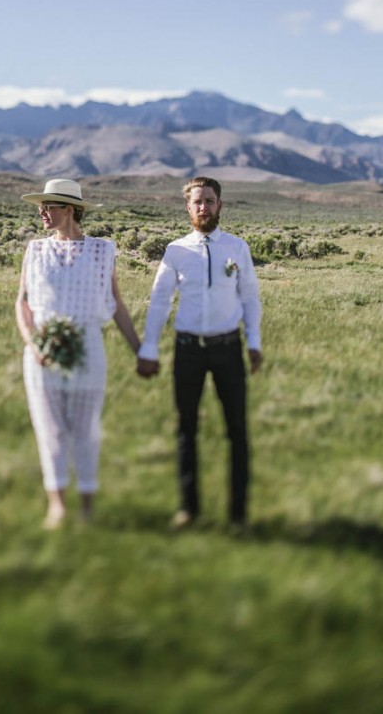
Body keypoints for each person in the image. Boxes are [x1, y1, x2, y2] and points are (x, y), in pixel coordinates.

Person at [137, 176, 263, 533]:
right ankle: (188, 508)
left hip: (227, 348)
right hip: (188, 349)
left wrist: (253, 341)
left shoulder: (237, 248)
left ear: (220, 205)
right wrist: (148, 347)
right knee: (186, 429)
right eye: (197, 202)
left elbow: (250, 297)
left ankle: (238, 515)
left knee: (237, 430)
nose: (203, 207)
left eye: (209, 200)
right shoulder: (176, 251)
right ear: (187, 208)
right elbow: (160, 300)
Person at [16, 178, 140, 529]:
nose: (42, 212)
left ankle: (87, 506)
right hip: (43, 352)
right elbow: (22, 302)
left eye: (49, 206)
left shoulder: (103, 250)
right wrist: (33, 342)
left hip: (88, 347)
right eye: (41, 207)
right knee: (50, 428)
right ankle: (57, 506)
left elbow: (115, 304)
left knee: (85, 429)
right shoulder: (35, 250)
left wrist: (139, 350)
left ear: (69, 209)